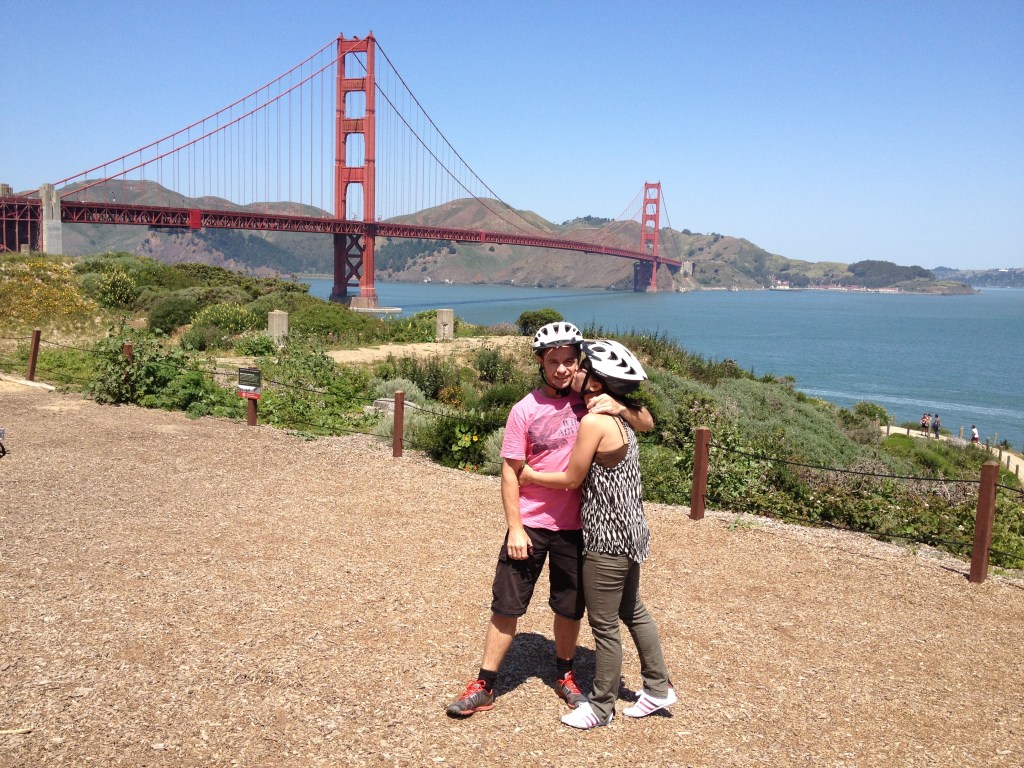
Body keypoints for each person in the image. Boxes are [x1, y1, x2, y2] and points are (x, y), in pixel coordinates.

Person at [445, 323, 654, 718]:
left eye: (568, 361)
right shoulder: (524, 409)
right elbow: (511, 471)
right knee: (506, 607)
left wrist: (621, 406)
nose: (561, 369)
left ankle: (565, 674)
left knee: (568, 608)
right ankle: (485, 684)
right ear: (540, 362)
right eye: (552, 361)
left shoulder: (590, 398)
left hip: (578, 528)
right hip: (532, 523)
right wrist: (517, 527)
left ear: (579, 365)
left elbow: (647, 422)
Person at [521, 339, 675, 730]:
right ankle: (658, 689)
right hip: (632, 532)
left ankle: (601, 706)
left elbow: (572, 479)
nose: (573, 371)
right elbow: (647, 420)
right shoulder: (615, 413)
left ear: (596, 382)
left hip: (606, 539)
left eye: (582, 368)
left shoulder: (595, 420)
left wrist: (528, 474)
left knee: (605, 625)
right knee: (632, 610)